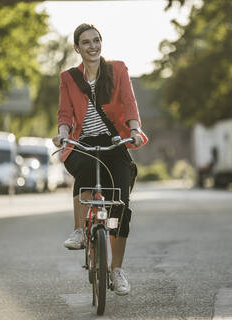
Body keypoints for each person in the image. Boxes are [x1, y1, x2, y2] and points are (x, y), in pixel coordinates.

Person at [52, 23, 148, 296]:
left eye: (96, 40)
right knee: (85, 167)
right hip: (81, 141)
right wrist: (62, 135)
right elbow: (65, 114)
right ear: (77, 48)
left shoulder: (117, 70)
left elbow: (129, 102)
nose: (92, 46)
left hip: (114, 141)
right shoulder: (69, 78)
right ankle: (79, 231)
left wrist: (134, 130)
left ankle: (116, 270)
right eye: (86, 42)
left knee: (121, 205)